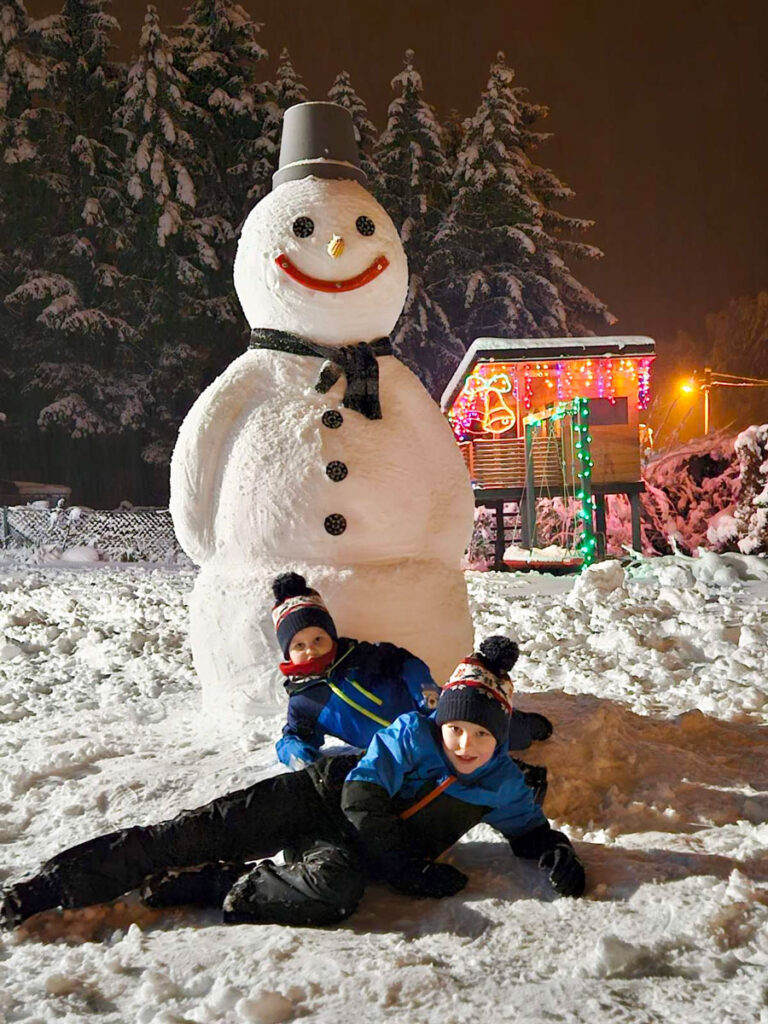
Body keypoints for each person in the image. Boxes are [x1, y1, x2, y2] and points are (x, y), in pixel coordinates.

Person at [0, 637, 584, 931]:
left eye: (481, 735)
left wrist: (554, 851)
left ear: (500, 739)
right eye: (455, 728)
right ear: (441, 721)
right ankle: (44, 889)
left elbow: (528, 830)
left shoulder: (501, 781)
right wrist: (407, 867)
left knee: (335, 893)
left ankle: (214, 886)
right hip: (319, 797)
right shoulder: (412, 734)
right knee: (191, 833)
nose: (464, 744)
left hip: (348, 845)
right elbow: (362, 795)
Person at [271, 572, 553, 770]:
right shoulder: (304, 700)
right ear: (288, 652)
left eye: (318, 639)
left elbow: (405, 662)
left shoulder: (359, 656)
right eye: (299, 645)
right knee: (451, 763)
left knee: (484, 729)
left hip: (431, 713)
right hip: (397, 748)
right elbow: (294, 735)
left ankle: (523, 726)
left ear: (331, 635)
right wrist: (295, 754)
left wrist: (426, 694)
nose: (311, 650)